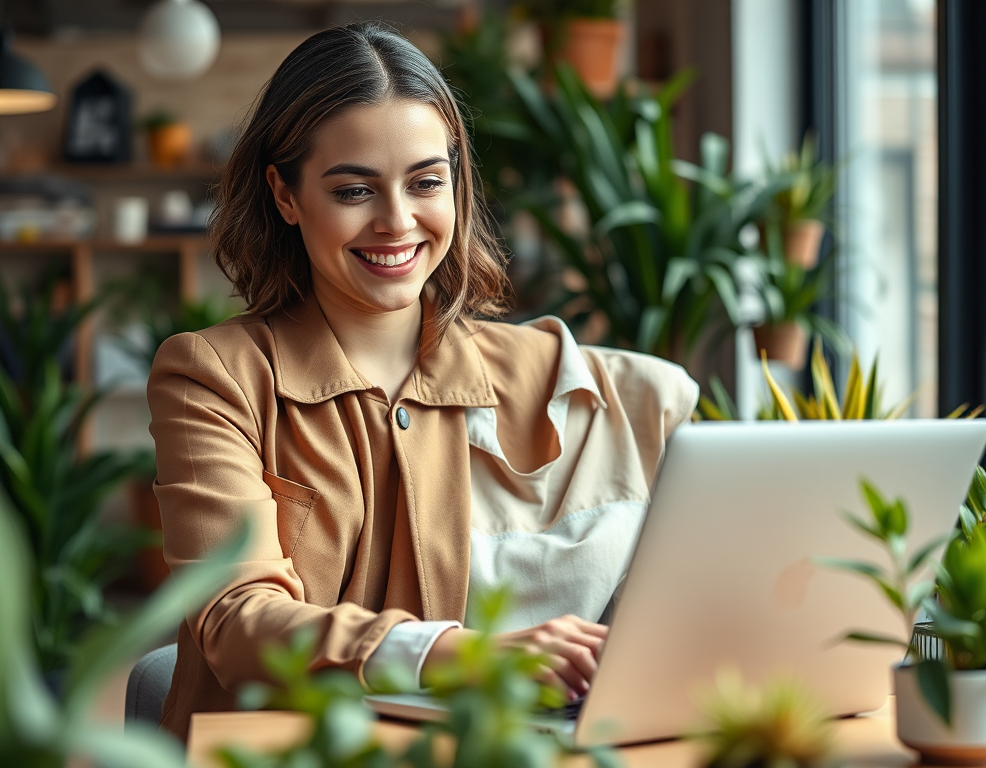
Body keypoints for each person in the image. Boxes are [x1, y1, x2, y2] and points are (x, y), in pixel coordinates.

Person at [148, 21, 699, 743]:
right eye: (353, 190)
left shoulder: (560, 377)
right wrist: (460, 653)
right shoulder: (212, 377)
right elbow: (236, 618)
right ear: (285, 195)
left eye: (426, 182)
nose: (397, 222)